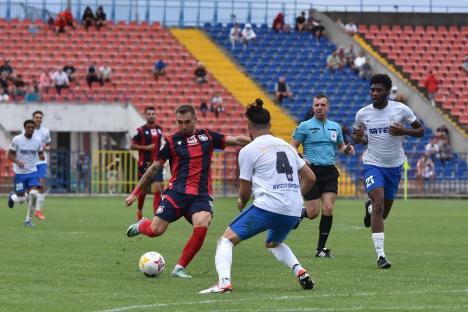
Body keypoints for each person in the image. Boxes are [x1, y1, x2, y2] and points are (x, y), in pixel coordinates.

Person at [199, 99, 316, 294]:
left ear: (248, 127)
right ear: (269, 125)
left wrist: (241, 201)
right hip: (293, 209)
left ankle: (224, 283)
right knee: (273, 243)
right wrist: (295, 196)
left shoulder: (248, 150)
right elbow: (310, 177)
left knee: (226, 240)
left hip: (268, 207)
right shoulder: (287, 146)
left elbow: (245, 189)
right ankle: (300, 270)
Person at [125, 104, 250, 278]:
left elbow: (236, 140)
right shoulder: (170, 142)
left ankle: (179, 268)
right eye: (180, 122)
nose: (183, 126)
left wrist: (260, 141)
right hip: (176, 193)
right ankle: (142, 225)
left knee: (202, 223)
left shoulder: (207, 136)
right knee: (156, 230)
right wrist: (135, 192)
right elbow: (154, 168)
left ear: (195, 120)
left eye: (187, 122)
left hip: (200, 195)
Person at [353, 74, 424, 269]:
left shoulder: (401, 110)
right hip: (372, 164)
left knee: (382, 213)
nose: (374, 93)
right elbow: (358, 137)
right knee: (378, 204)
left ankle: (369, 209)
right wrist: (358, 137)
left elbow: (421, 131)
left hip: (394, 167)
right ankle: (381, 256)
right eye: (372, 90)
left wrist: (404, 131)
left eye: (379, 90)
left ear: (387, 91)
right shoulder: (362, 114)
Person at [291, 94, 355, 257]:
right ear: (313, 108)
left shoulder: (335, 127)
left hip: (329, 172)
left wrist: (347, 149)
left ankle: (320, 249)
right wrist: (302, 159)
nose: (319, 107)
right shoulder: (304, 126)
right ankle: (301, 213)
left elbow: (341, 146)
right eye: (317, 105)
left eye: (322, 105)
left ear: (328, 107)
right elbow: (292, 147)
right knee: (313, 213)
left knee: (328, 208)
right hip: (311, 173)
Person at [129, 106, 165, 221]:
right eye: (149, 114)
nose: (151, 115)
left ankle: (157, 216)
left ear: (156, 115)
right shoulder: (140, 130)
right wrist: (146, 148)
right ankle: (139, 210)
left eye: (153, 113)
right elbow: (132, 146)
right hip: (144, 164)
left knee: (158, 187)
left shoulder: (160, 129)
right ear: (145, 116)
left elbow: (159, 146)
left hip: (157, 164)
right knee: (143, 191)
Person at [7, 120, 45, 227]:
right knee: (21, 200)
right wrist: (17, 162)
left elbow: (41, 152)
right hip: (20, 174)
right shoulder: (17, 140)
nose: (30, 129)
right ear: (24, 128)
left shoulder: (37, 140)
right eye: (28, 127)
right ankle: (12, 197)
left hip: (32, 172)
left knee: (34, 194)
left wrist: (42, 156)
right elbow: (9, 155)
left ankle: (28, 220)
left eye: (32, 128)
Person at [31, 111, 51, 220]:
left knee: (41, 185)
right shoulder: (27, 130)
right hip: (31, 162)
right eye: (36, 117)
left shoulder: (46, 131)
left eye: (40, 117)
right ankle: (18, 198)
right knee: (31, 188)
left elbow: (48, 144)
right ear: (33, 118)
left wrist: (45, 148)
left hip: (42, 161)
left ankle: (38, 211)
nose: (38, 119)